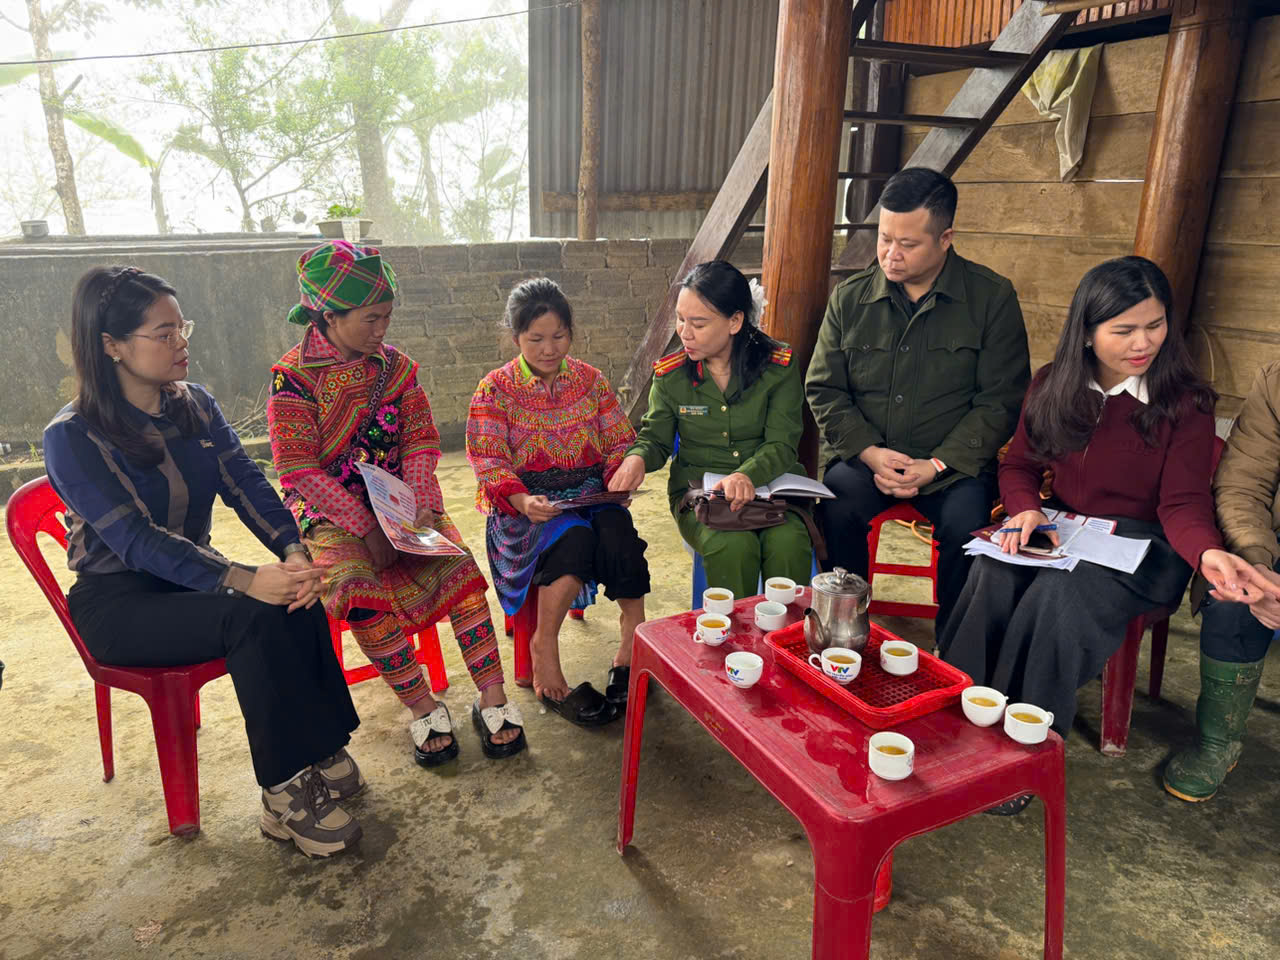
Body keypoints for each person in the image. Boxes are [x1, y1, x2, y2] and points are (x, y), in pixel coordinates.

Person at [937, 256, 1278, 815]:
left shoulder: (1185, 402)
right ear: (1087, 332)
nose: (1143, 343)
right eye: (1124, 330)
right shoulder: (1052, 384)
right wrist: (1025, 511)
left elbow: (1182, 503)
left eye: (1155, 324)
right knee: (992, 567)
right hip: (1064, 528)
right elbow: (1019, 465)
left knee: (1059, 596)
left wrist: (1208, 552)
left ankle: (1024, 750)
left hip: (1147, 546)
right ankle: (955, 718)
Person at [44, 265, 363, 858]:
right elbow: (135, 539)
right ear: (112, 345)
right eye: (162, 333)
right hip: (119, 601)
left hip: (191, 578)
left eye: (181, 327)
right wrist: (241, 578)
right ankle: (283, 792)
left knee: (293, 591)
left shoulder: (194, 405)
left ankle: (321, 745)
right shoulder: (74, 435)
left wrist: (292, 552)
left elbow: (246, 483)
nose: (180, 342)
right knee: (252, 613)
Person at [268, 241, 525, 767]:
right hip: (330, 511)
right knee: (356, 589)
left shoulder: (397, 369)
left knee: (460, 570)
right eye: (371, 318)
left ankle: (492, 697)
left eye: (387, 316)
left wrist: (420, 506)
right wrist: (366, 528)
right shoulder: (292, 379)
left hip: (400, 501)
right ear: (329, 316)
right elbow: (298, 469)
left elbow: (422, 442)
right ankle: (422, 706)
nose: (383, 328)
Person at [805, 167, 1030, 633]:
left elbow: (1001, 401)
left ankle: (954, 645)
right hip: (869, 461)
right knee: (837, 503)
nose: (891, 254)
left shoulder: (990, 298)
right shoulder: (850, 299)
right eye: (885, 238)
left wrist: (938, 464)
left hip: (954, 469)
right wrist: (870, 453)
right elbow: (824, 388)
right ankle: (845, 630)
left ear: (945, 238)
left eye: (907, 244)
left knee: (968, 525)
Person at [466, 278, 650, 726]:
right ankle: (543, 646)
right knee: (572, 540)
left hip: (590, 494)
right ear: (515, 337)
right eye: (536, 339)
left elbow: (618, 441)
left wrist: (621, 473)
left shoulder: (590, 381)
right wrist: (522, 499)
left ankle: (631, 644)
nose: (549, 349)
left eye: (559, 336)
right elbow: (489, 461)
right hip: (526, 511)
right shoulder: (495, 390)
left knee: (618, 536)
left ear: (571, 332)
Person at [608, 260, 812, 600]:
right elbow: (655, 439)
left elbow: (782, 443)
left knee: (789, 543)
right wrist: (637, 459)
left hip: (773, 490)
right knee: (732, 545)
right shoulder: (671, 376)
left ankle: (786, 631)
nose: (684, 332)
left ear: (735, 321)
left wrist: (746, 475)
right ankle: (732, 633)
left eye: (698, 323)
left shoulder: (777, 367)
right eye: (680, 319)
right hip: (700, 495)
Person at [1164, 361, 1280, 802]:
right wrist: (1256, 566)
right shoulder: (1277, 381)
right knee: (1233, 596)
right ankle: (1219, 741)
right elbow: (1243, 485)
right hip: (1271, 539)